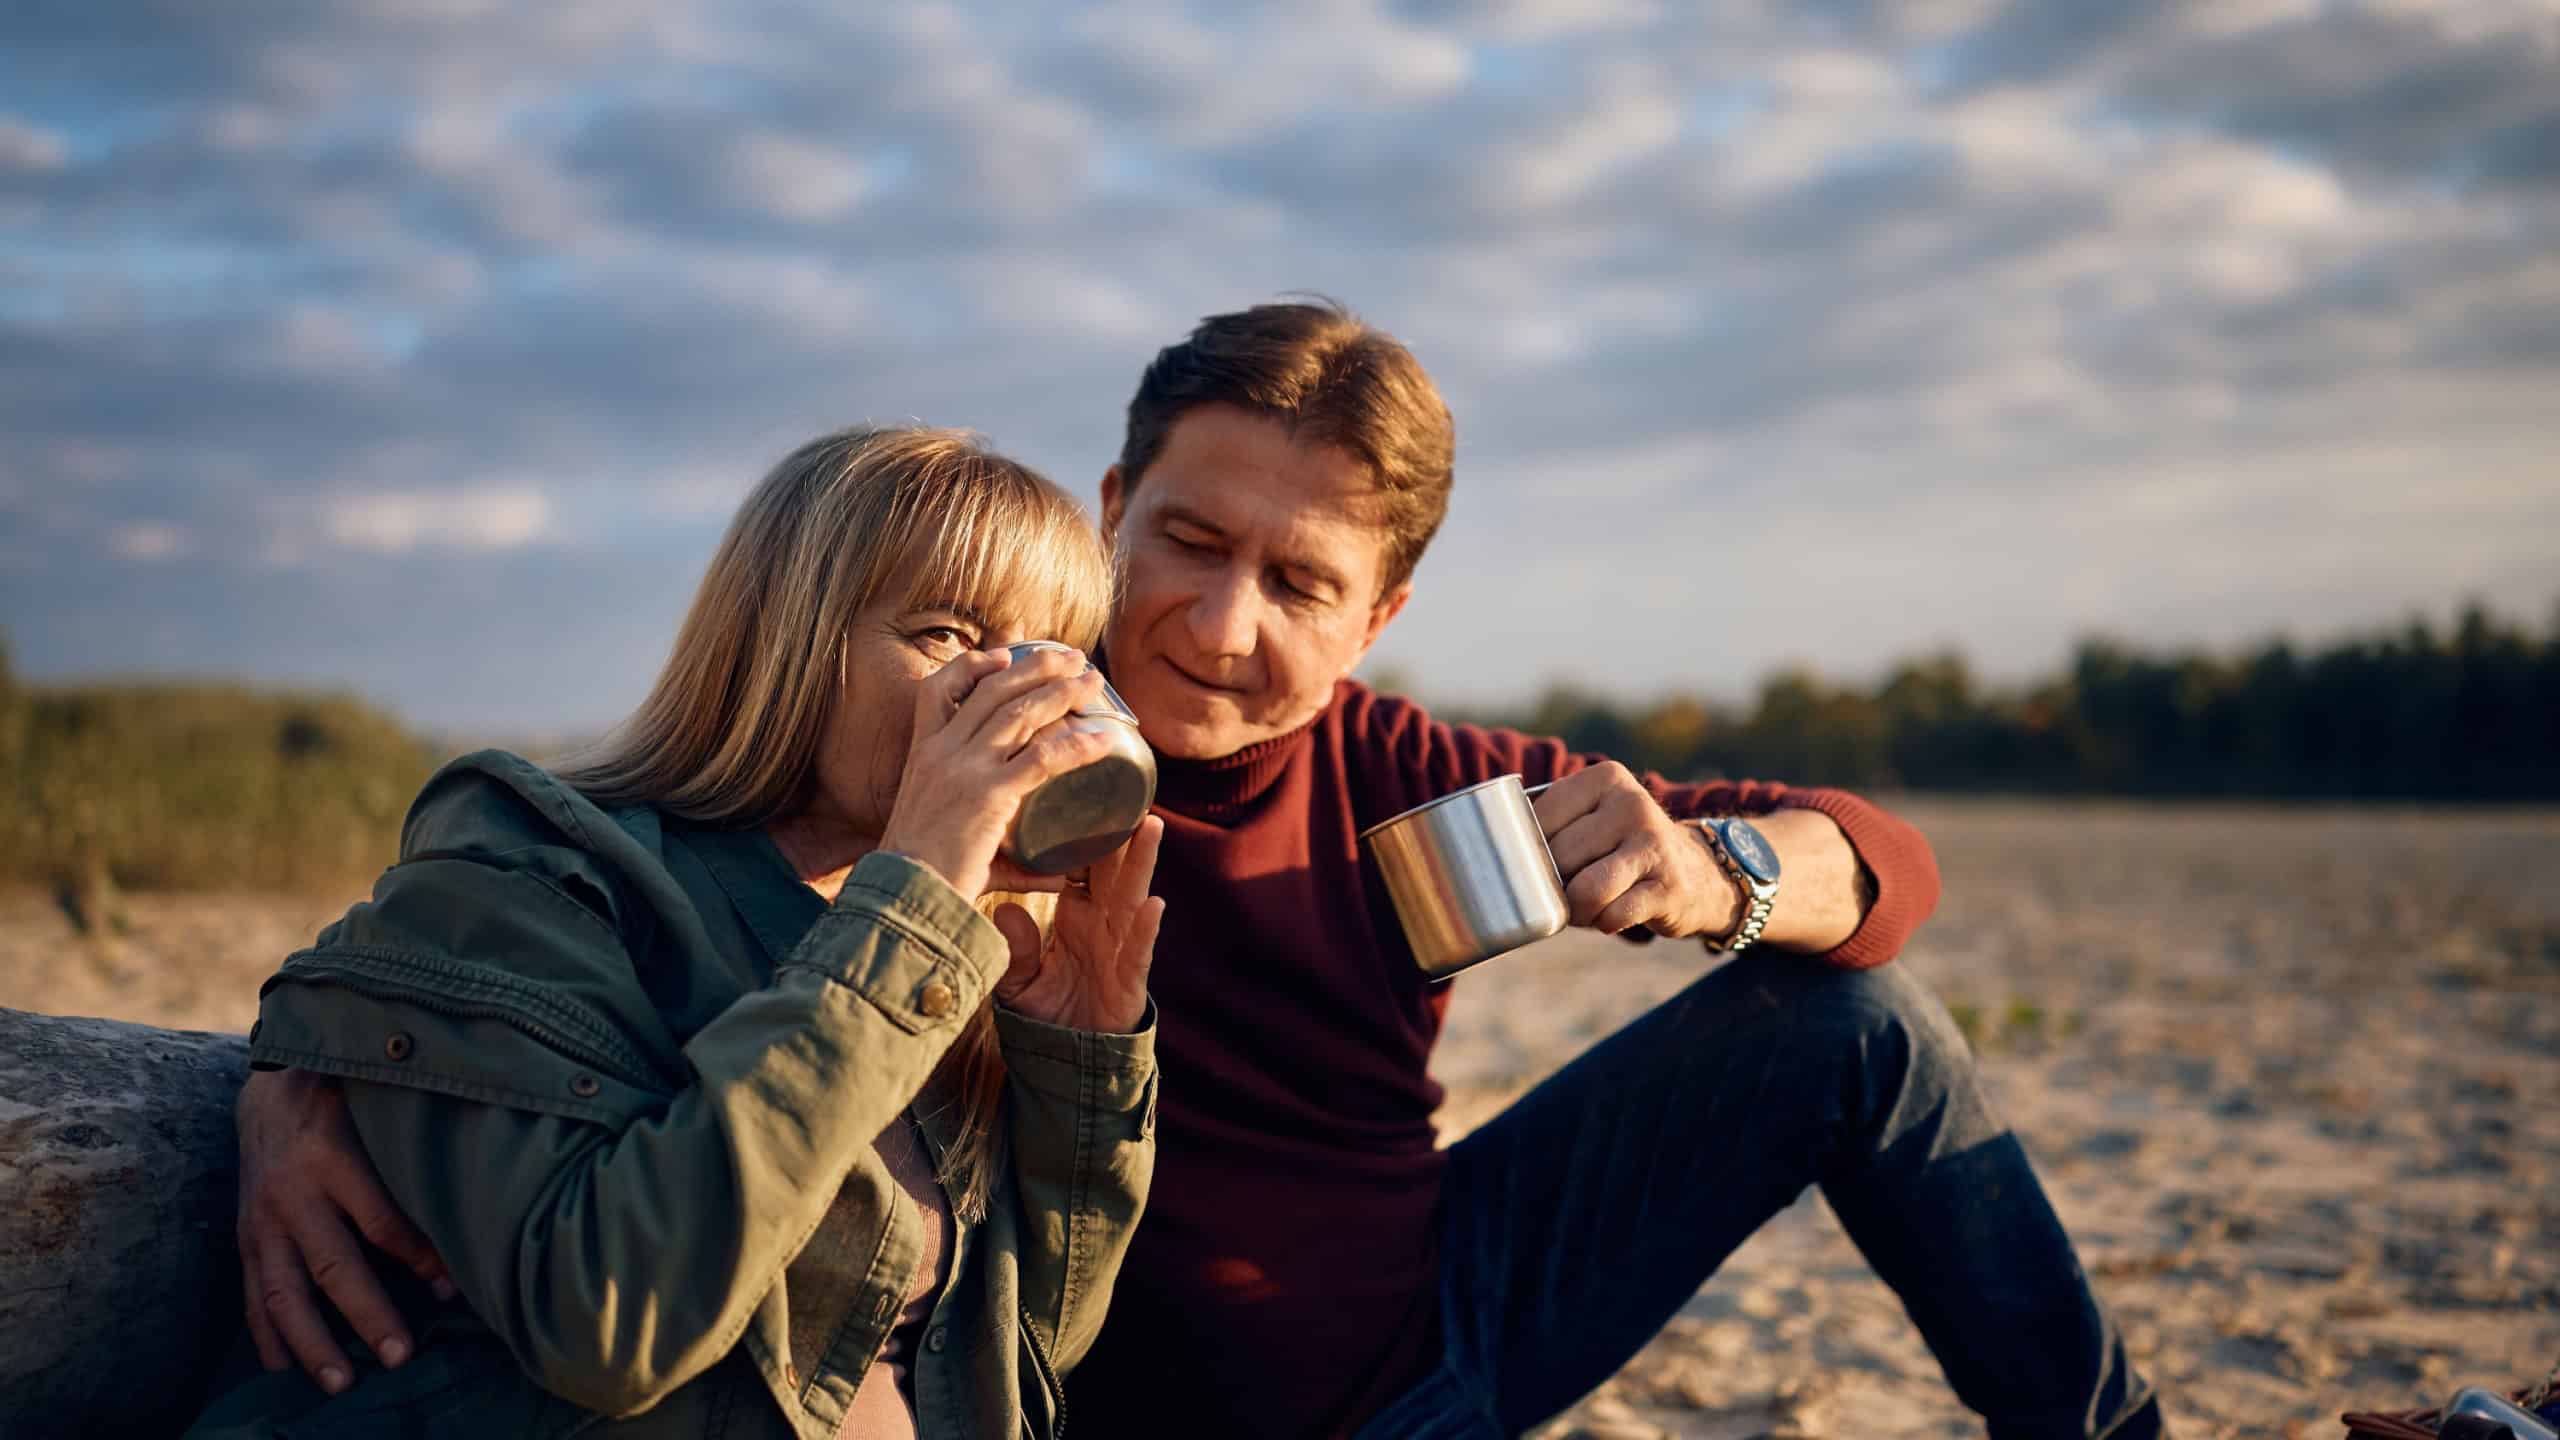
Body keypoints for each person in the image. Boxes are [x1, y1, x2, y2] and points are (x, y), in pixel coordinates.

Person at [234, 306, 2162, 1438]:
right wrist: (292, 1074)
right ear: (1107, 516)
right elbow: (526, 910)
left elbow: (1891, 863)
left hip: (1437, 1347)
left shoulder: (1408, 777)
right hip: (1097, 1398)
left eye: (1302, 582)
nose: (1221, 623)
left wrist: (1721, 869)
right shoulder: (945, 769)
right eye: (1189, 538)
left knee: (1860, 1026)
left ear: (1379, 613)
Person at [192, 426, 1164, 1439]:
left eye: (1041, 652)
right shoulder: (548, 873)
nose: (1002, 693)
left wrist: (1078, 1065)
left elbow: (1024, 1353)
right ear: (788, 639)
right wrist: (912, 899)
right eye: (946, 636)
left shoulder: (956, 943)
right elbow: (608, 1322)